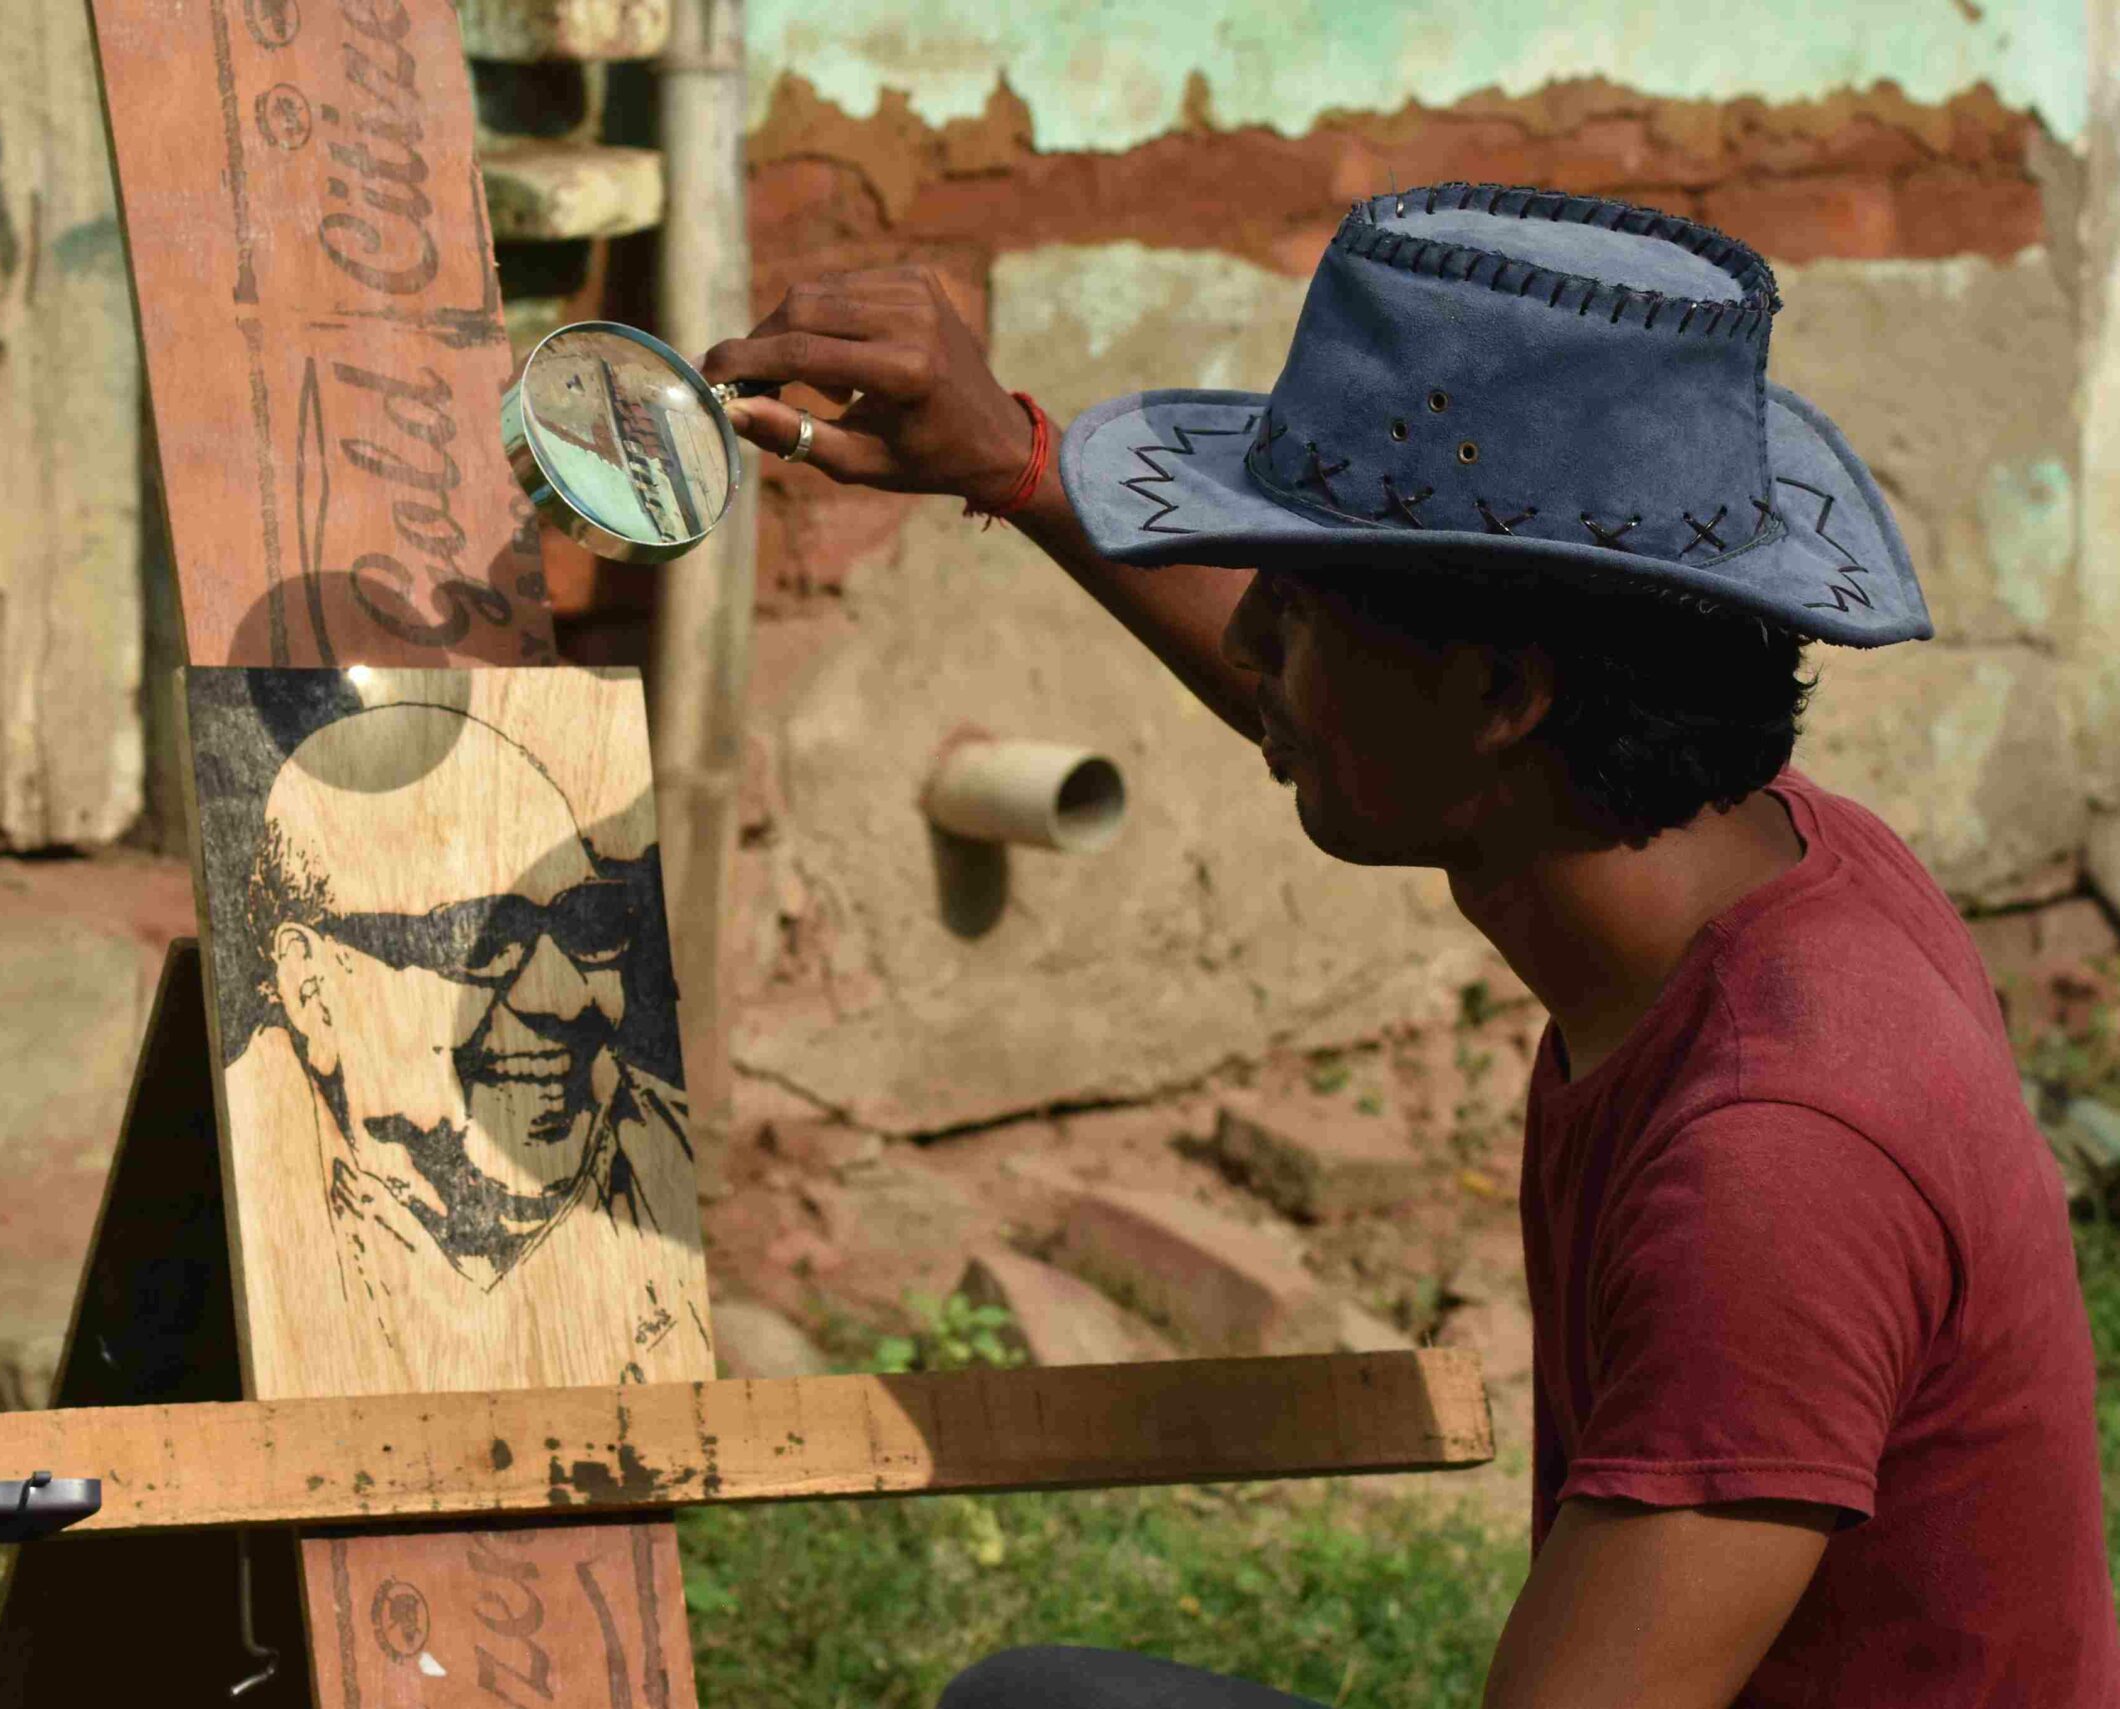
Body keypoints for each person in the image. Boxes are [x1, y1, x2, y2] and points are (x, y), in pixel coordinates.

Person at [703, 184, 2119, 1707]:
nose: (1251, 649)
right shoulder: (1757, 863)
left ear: (1508, 696)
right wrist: (1028, 469)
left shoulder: (1782, 1162)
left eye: (1297, 615)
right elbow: (1347, 720)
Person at [226, 697, 707, 1395]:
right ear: (312, 990)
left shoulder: (664, 1149)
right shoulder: (251, 1202)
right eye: (483, 935)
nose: (565, 996)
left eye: (589, 921)